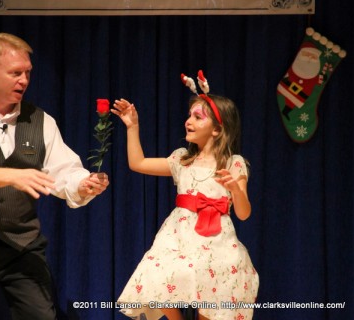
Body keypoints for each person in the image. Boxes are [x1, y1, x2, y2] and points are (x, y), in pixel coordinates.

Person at [0, 32, 109, 320]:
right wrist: (12, 176)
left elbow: (65, 171)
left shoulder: (40, 120)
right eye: (15, 73)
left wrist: (84, 183)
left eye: (27, 73)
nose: (24, 81)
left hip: (21, 245)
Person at [111, 80, 259, 320]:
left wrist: (235, 189)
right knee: (156, 275)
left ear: (217, 130)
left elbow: (243, 213)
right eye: (189, 115)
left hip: (217, 243)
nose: (188, 121)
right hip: (180, 238)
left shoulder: (234, 163)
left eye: (198, 117)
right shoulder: (182, 160)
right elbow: (137, 163)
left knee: (215, 297)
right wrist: (132, 127)